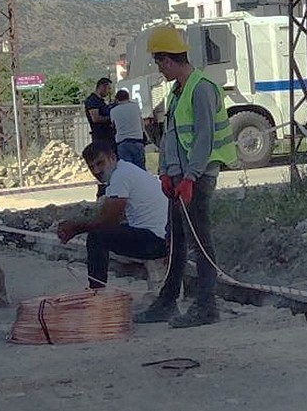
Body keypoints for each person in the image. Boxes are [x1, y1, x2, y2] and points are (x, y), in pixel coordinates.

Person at [133, 25, 237, 328]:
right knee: (176, 240)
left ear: (168, 59)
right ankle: (168, 301)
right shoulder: (178, 92)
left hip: (198, 177)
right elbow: (171, 136)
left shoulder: (201, 88)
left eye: (158, 63)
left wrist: (190, 177)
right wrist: (166, 172)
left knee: (200, 241)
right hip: (181, 178)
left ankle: (206, 305)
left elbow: (204, 137)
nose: (159, 69)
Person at [57, 140, 169, 289]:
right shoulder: (125, 171)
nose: (97, 171)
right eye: (92, 167)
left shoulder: (120, 176)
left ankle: (97, 291)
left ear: (112, 158)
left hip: (157, 241)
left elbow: (109, 221)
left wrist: (76, 227)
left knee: (97, 237)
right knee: (102, 232)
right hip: (162, 237)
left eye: (100, 163)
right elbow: (106, 215)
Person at [110, 89, 146, 169]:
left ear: (117, 99)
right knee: (140, 170)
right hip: (137, 141)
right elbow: (141, 122)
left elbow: (113, 126)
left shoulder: (113, 111)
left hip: (122, 143)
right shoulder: (135, 107)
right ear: (128, 97)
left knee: (127, 169)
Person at [85, 77, 114, 145]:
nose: (109, 91)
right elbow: (95, 118)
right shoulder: (93, 100)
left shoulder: (100, 101)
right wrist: (110, 118)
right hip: (100, 137)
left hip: (106, 136)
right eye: (108, 88)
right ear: (102, 87)